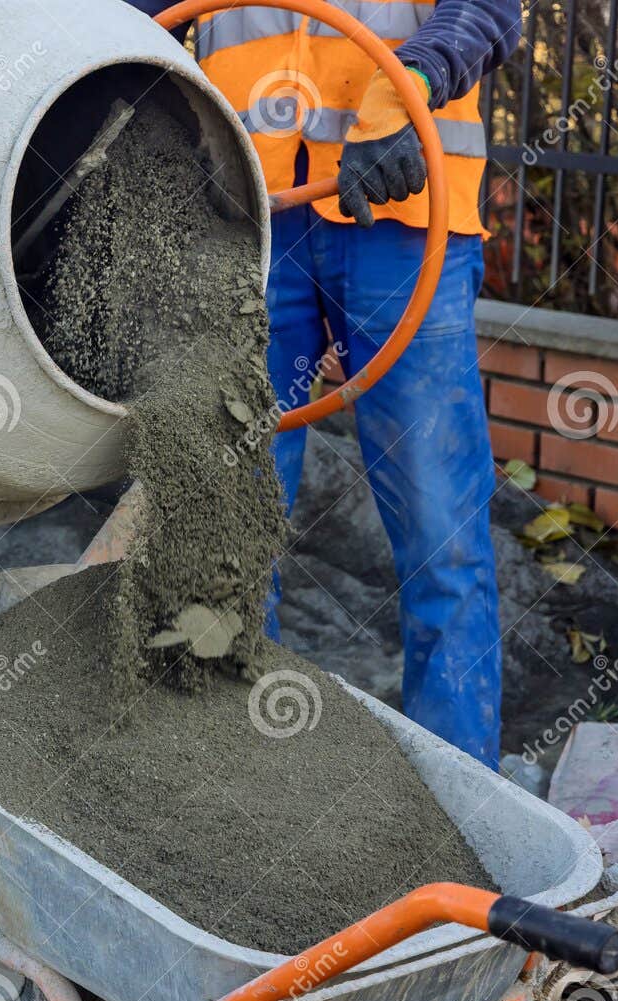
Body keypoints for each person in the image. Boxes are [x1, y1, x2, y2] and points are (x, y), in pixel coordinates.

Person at [134, 0, 521, 767]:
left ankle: (466, 809)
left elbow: (488, 9)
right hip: (247, 217)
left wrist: (409, 84)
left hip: (405, 212)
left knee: (440, 532)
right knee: (223, 525)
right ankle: (231, 779)